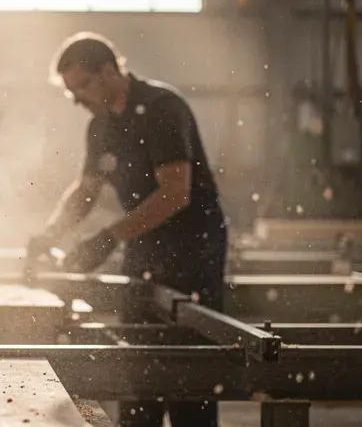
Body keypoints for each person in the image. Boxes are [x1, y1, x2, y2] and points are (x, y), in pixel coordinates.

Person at [28, 32, 227, 427]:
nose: (77, 99)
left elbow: (175, 193)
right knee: (138, 368)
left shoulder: (162, 108)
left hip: (192, 251)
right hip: (144, 245)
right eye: (70, 92)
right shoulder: (100, 126)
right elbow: (85, 192)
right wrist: (49, 235)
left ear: (109, 71)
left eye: (82, 86)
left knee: (189, 377)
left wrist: (107, 238)